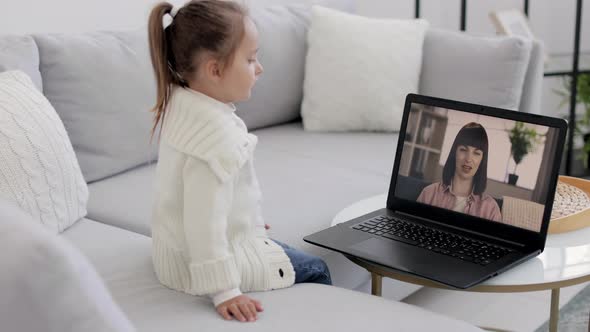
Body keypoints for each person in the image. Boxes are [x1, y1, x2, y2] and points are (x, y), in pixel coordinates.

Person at [147, 1, 331, 323]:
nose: (259, 68)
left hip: (172, 254)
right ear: (214, 70)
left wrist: (242, 217)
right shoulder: (216, 137)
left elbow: (191, 195)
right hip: (197, 265)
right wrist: (225, 291)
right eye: (250, 58)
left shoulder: (181, 102)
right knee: (318, 268)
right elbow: (203, 221)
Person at [417, 122, 502, 222]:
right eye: (463, 150)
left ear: (482, 160)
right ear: (454, 153)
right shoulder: (429, 194)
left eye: (476, 153)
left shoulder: (490, 209)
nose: (468, 159)